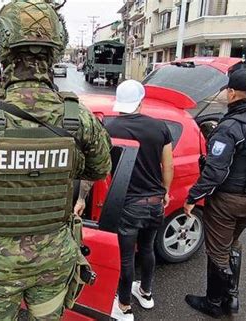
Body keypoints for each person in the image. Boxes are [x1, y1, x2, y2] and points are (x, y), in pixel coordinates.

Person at [0, 1, 112, 320]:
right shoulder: (78, 117)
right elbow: (100, 169)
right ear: (57, 48)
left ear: (3, 48)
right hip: (55, 261)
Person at [183, 69, 246, 318]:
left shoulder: (230, 127)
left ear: (231, 93)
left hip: (228, 201)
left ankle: (214, 302)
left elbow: (215, 173)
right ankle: (232, 299)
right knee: (232, 243)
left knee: (218, 251)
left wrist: (192, 198)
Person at [103, 79, 173, 321]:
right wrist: (166, 192)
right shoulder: (160, 127)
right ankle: (145, 292)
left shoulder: (109, 127)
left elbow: (98, 166)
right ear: (140, 101)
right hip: (155, 203)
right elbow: (168, 165)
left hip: (129, 205)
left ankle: (123, 307)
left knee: (126, 256)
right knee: (147, 248)